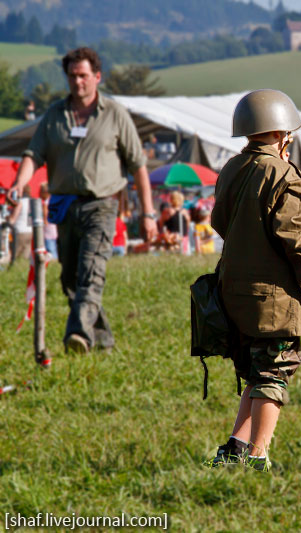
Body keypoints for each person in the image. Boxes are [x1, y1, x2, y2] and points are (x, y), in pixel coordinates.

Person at [208, 89, 301, 472]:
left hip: (233, 292)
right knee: (273, 371)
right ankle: (259, 456)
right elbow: (296, 238)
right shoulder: (284, 175)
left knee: (255, 372)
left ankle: (235, 447)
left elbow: (218, 222)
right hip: (274, 298)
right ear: (283, 135)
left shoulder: (231, 168)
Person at [10, 47, 158, 353]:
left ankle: (77, 336)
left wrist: (148, 213)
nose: (78, 82)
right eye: (72, 76)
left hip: (101, 205)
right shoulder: (54, 115)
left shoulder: (115, 115)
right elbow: (32, 155)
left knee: (91, 270)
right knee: (71, 280)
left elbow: (139, 167)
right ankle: (103, 342)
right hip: (63, 206)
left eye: (83, 75)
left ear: (97, 77)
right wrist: (18, 184)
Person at [8, 185, 33, 262]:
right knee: (25, 257)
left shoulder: (20, 202)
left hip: (19, 231)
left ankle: (14, 271)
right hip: (30, 231)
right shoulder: (32, 201)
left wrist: (7, 221)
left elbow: (12, 219)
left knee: (15, 256)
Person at [39, 183, 59, 258]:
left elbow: (45, 215)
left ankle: (52, 264)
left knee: (50, 251)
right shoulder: (54, 200)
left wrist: (44, 221)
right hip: (55, 229)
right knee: (55, 249)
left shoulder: (46, 202)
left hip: (48, 231)